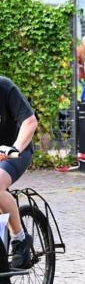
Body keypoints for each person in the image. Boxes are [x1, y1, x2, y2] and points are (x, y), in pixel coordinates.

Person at [0, 76, 38, 269]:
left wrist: (13, 149)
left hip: (16, 152)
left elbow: (29, 122)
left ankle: (20, 239)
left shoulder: (4, 87)